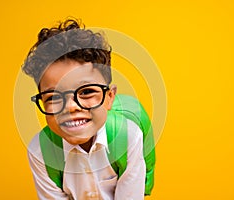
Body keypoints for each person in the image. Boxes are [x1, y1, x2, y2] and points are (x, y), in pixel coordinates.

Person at [22, 18, 146, 199]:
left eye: (87, 92)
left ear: (109, 97)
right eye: (54, 97)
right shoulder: (40, 151)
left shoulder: (128, 137)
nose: (71, 107)